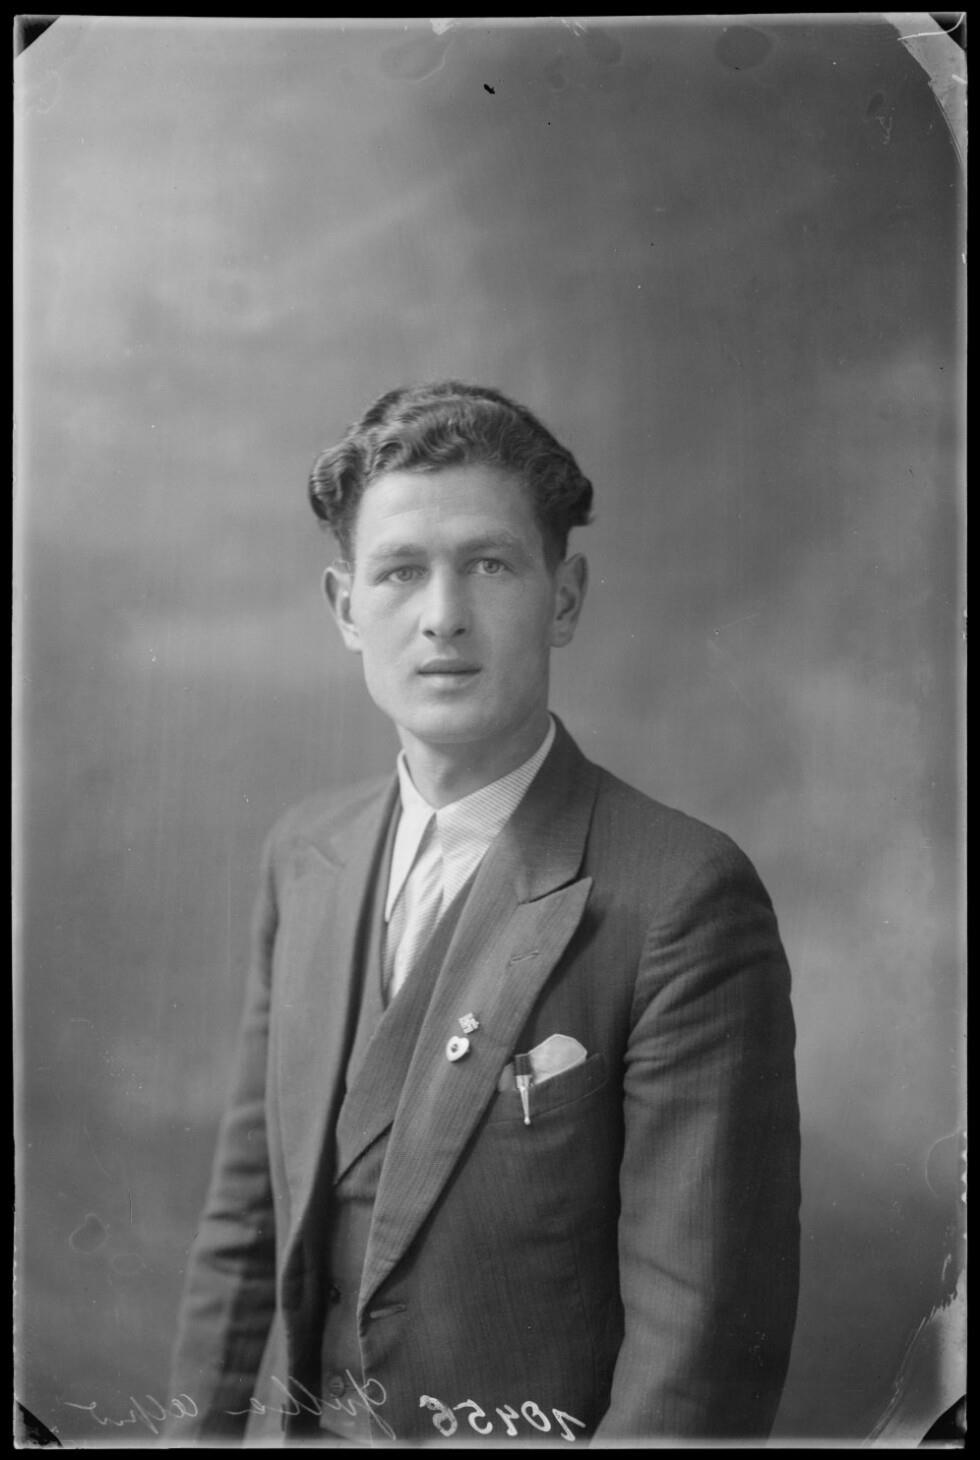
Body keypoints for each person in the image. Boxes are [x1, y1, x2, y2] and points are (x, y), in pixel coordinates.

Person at [168, 381, 801, 1445]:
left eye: (490, 565)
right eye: (400, 571)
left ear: (564, 597)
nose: (443, 615)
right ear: (344, 608)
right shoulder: (305, 858)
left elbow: (695, 1354)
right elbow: (247, 1231)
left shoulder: (681, 895)